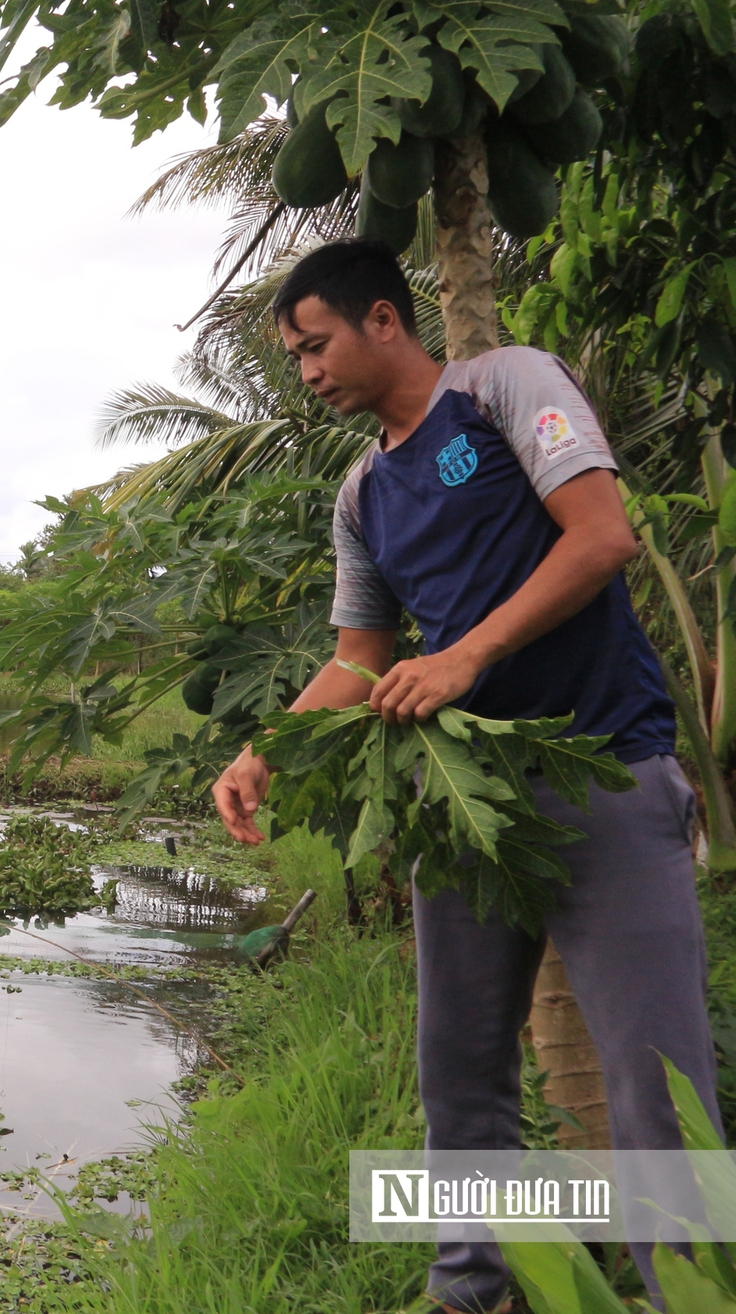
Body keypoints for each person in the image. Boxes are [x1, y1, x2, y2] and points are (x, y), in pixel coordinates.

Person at [210, 239, 719, 1314]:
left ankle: (690, 1295)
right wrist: (266, 750)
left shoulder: (503, 388)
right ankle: (472, 1290)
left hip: (605, 775)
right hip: (466, 808)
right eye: (294, 355)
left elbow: (602, 537)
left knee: (658, 1081)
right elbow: (358, 655)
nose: (306, 371)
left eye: (315, 345)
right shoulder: (362, 493)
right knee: (458, 1072)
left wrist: (464, 654)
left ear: (382, 319)